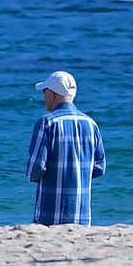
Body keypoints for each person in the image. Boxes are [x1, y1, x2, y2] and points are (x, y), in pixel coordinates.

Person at [26, 70, 106, 225]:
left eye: (44, 91)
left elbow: (35, 170)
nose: (43, 96)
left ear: (52, 94)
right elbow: (99, 168)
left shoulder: (46, 123)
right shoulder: (91, 124)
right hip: (82, 216)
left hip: (49, 215)